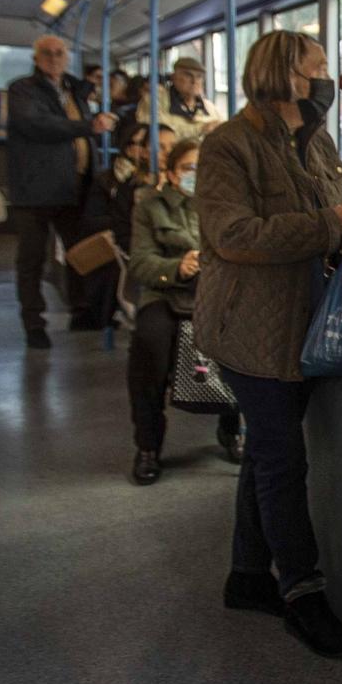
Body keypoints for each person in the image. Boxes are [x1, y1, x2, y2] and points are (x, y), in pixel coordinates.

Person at [195, 30, 342, 657]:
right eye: (317, 66)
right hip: (251, 328)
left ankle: (247, 576)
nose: (328, 76)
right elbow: (233, 234)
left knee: (268, 456)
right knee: (282, 459)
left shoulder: (317, 139)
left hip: (301, 320)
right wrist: (327, 225)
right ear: (282, 75)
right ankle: (303, 591)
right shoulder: (228, 147)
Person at [124, 140, 243, 485]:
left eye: (202, 169)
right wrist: (178, 266)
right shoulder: (150, 207)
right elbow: (140, 262)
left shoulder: (226, 206)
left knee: (237, 342)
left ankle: (231, 427)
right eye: (188, 168)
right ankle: (148, 445)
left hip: (216, 293)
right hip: (165, 292)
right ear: (173, 174)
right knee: (150, 343)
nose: (196, 175)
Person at [5, 34, 117, 349]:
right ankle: (33, 322)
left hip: (75, 185)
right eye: (47, 53)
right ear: (36, 58)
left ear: (67, 58)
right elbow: (36, 125)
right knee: (32, 258)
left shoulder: (73, 91)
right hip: (36, 189)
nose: (54, 58)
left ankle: (83, 310)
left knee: (80, 253)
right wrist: (87, 127)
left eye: (59, 53)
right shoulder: (22, 91)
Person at [140, 55, 221, 142]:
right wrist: (200, 129)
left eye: (199, 77)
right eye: (188, 75)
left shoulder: (209, 107)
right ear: (174, 77)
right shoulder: (154, 101)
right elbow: (158, 135)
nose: (194, 81)